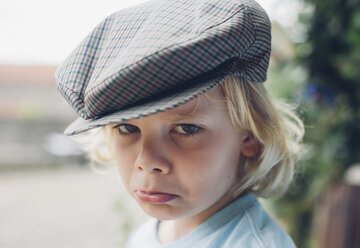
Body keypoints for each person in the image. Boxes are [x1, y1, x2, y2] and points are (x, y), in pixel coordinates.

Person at [56, 0, 304, 247]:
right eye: (127, 127)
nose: (147, 162)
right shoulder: (146, 236)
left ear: (250, 135)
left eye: (186, 129)